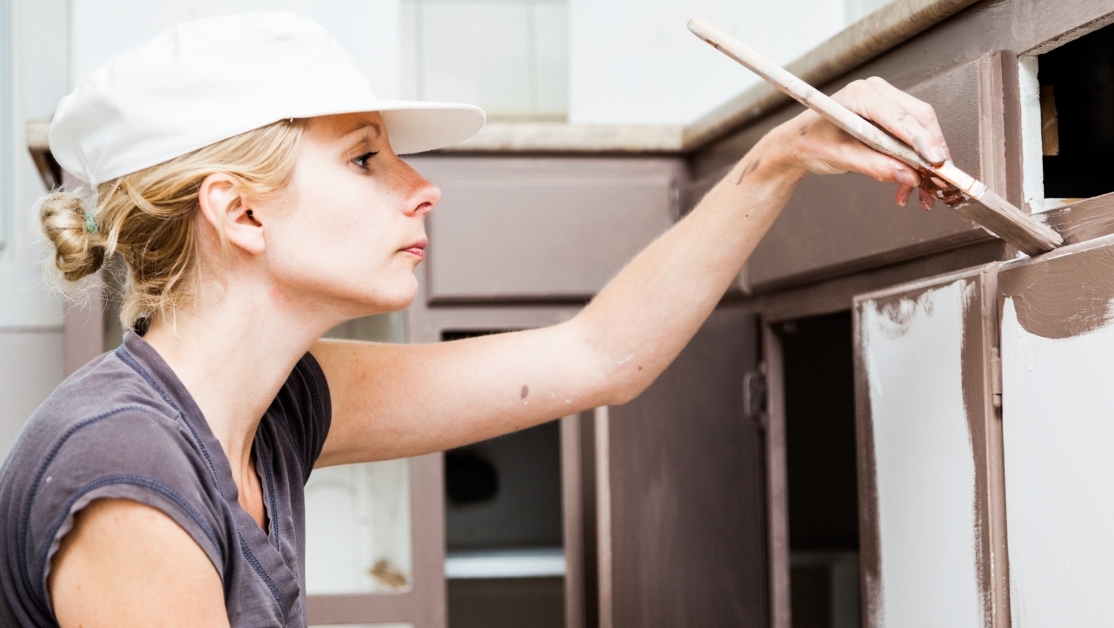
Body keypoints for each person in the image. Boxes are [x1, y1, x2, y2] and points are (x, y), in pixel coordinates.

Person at [0, 11, 950, 628]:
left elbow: (600, 356)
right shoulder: (125, 473)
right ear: (239, 213)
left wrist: (782, 155)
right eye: (367, 159)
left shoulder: (278, 404)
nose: (423, 189)